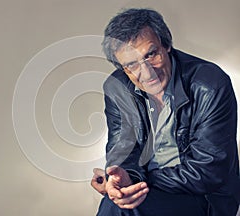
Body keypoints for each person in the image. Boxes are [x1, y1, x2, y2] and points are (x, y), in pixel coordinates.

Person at [91, 8, 240, 216]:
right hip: (152, 189)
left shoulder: (210, 84)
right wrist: (119, 180)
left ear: (166, 44)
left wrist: (140, 180)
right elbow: (122, 148)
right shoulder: (117, 88)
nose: (146, 72)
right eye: (131, 65)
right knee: (120, 202)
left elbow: (208, 171)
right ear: (122, 68)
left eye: (151, 55)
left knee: (122, 207)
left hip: (204, 197)